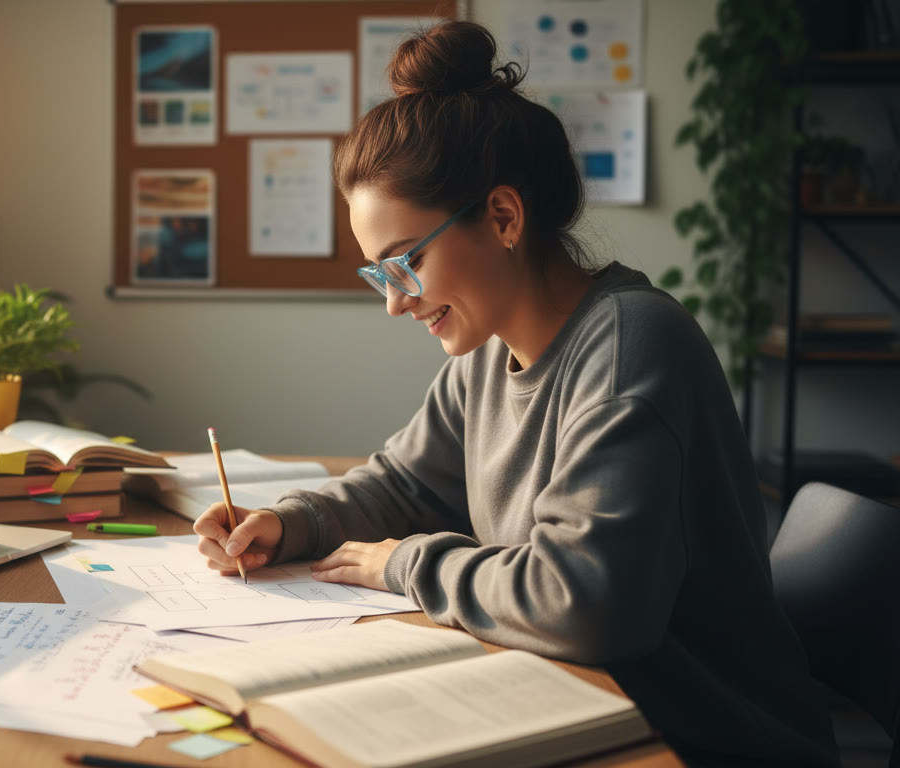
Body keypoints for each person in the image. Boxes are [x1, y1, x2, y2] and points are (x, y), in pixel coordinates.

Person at [194, 19, 839, 767]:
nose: (394, 302)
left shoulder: (633, 348)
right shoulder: (487, 352)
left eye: (404, 264)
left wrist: (401, 563)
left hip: (701, 742)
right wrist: (288, 522)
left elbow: (585, 603)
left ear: (502, 216)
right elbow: (403, 483)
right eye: (379, 274)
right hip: (585, 707)